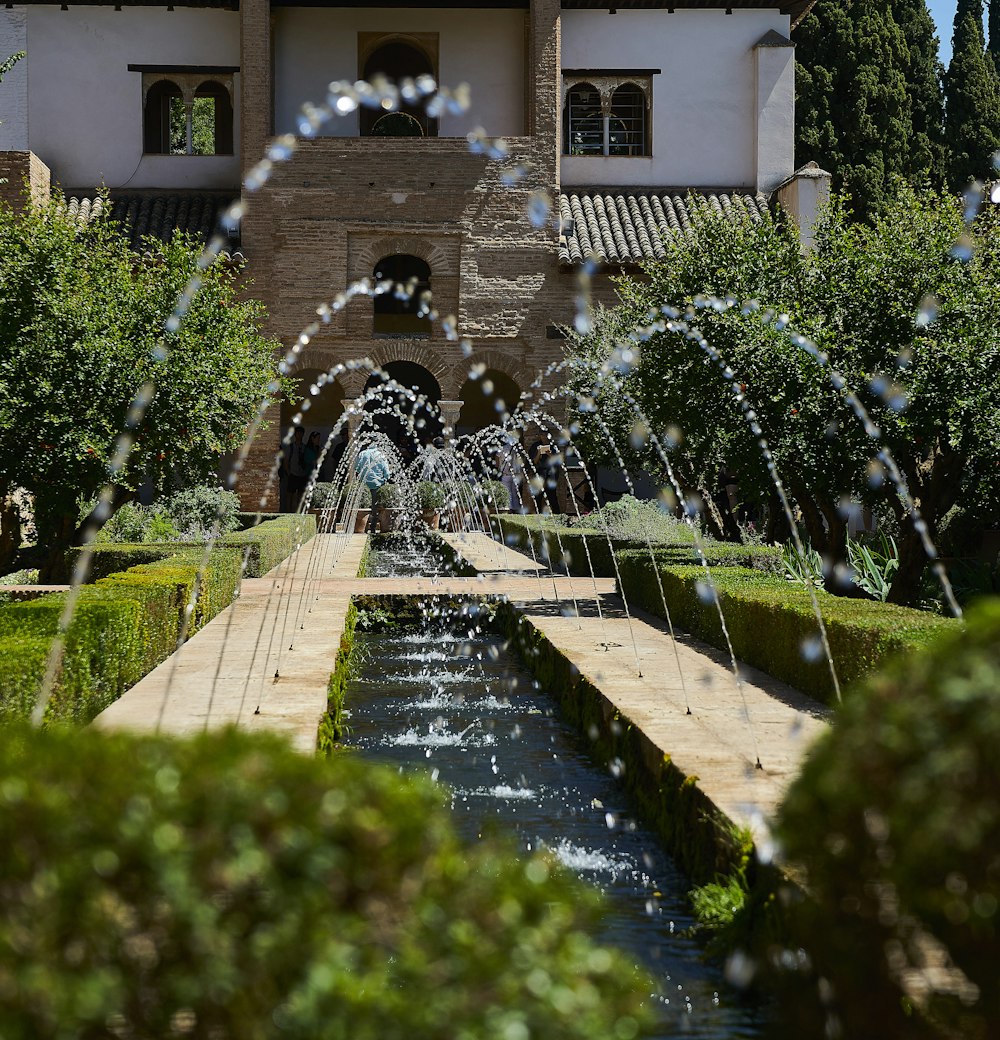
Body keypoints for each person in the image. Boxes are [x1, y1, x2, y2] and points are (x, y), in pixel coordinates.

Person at [354, 443, 391, 533]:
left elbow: (357, 468)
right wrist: (385, 478)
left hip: (364, 484)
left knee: (364, 506)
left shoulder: (362, 454)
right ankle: (373, 528)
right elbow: (386, 472)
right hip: (377, 484)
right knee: (375, 508)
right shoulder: (380, 455)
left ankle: (364, 527)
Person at [284, 427, 308, 511]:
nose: (299, 435)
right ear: (295, 434)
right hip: (292, 474)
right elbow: (286, 461)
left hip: (302, 474)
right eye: (298, 433)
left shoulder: (305, 447)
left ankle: (298, 511)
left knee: (300, 494)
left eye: (301, 433)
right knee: (290, 494)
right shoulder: (290, 447)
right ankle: (288, 511)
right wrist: (288, 473)